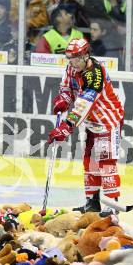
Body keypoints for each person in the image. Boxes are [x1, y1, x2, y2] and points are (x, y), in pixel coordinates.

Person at [47, 38, 124, 217]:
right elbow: (66, 87)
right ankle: (92, 202)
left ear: (86, 55)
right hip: (90, 122)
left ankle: (112, 204)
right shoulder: (72, 67)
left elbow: (83, 103)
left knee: (106, 162)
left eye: (75, 58)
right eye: (69, 58)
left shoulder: (95, 74)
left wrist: (66, 126)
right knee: (89, 162)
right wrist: (63, 99)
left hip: (107, 121)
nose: (72, 63)